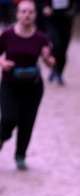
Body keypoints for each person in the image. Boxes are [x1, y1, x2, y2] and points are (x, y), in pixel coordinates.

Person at [0, 0, 54, 170]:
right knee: (8, 118)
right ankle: (2, 136)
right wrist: (2, 62)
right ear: (17, 14)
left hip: (33, 87)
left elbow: (51, 63)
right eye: (23, 11)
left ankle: (20, 155)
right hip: (10, 85)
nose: (27, 15)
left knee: (27, 122)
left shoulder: (41, 38)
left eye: (30, 12)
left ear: (35, 15)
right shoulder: (7, 35)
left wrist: (47, 58)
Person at [42, 0, 80, 85]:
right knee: (56, 45)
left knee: (63, 50)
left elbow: (79, 5)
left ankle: (59, 72)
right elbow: (42, 3)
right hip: (52, 21)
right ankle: (54, 68)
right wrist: (45, 7)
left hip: (66, 23)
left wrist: (72, 12)